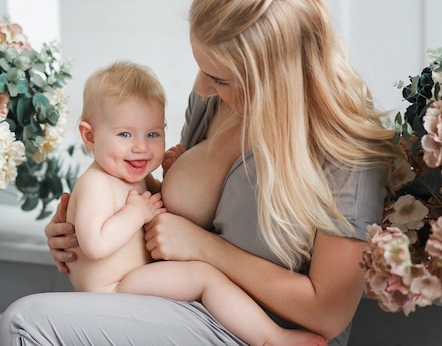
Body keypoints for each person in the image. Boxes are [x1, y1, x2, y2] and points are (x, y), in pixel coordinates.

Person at [0, 0, 397, 346]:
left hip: (262, 330)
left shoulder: (346, 155)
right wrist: (87, 231)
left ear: (272, 76)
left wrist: (206, 249)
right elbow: (159, 210)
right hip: (179, 300)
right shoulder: (218, 104)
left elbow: (328, 312)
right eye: (202, 70)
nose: (204, 89)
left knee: (22, 323)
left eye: (220, 78)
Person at [64, 61, 326, 346]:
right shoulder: (95, 183)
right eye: (125, 134)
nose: (141, 147)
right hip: (111, 292)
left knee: (204, 278)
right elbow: (95, 244)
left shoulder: (131, 178)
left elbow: (162, 207)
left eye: (152, 134)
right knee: (203, 277)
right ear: (89, 136)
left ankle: (269, 335)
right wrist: (134, 213)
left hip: (131, 283)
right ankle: (271, 338)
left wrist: (171, 173)